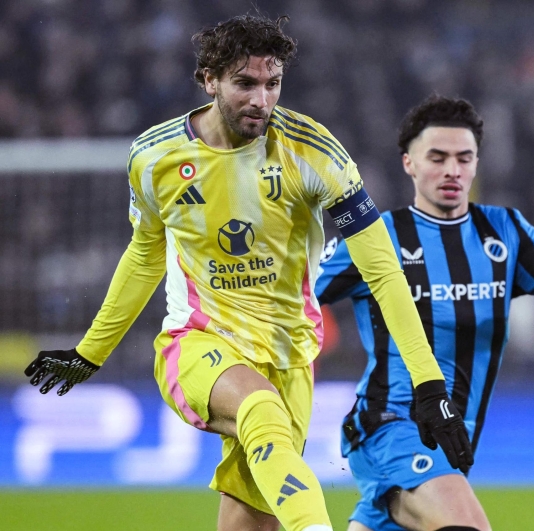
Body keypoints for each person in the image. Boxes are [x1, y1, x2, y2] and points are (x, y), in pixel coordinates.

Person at [22, 15, 471, 531]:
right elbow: (145, 254)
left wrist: (428, 382)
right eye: (245, 83)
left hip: (289, 359)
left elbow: (383, 271)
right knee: (259, 408)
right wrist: (90, 353)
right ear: (209, 79)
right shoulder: (155, 158)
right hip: (197, 343)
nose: (262, 99)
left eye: (272, 83)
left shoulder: (315, 154)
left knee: (250, 521)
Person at [315, 95, 534, 531]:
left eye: (464, 158)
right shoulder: (378, 236)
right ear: (409, 164)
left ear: (477, 164)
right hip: (391, 424)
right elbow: (299, 294)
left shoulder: (506, 231)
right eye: (436, 158)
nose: (452, 170)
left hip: (454, 440)